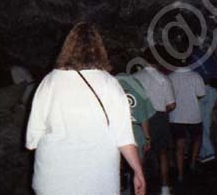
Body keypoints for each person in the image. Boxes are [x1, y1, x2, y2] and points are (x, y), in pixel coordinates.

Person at [25, 22, 145, 195]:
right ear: (99, 49)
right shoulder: (110, 83)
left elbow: (32, 139)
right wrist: (138, 171)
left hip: (52, 180)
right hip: (97, 181)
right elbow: (124, 136)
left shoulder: (49, 82)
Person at [133, 45, 176, 195]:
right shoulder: (164, 79)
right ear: (159, 61)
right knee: (163, 153)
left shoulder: (135, 78)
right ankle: (164, 189)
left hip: (139, 118)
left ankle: (139, 186)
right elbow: (171, 104)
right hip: (159, 117)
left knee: (140, 154)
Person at [168, 51, 206, 182]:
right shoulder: (196, 76)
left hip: (176, 116)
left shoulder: (170, 77)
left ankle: (179, 173)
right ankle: (192, 164)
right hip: (193, 115)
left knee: (179, 144)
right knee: (197, 138)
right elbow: (201, 94)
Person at [116, 73, 156, 195]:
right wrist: (147, 137)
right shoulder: (137, 85)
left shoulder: (109, 84)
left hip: (116, 133)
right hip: (136, 132)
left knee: (117, 169)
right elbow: (144, 116)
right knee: (137, 169)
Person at [191, 46, 217, 163]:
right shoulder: (206, 55)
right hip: (212, 89)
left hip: (200, 91)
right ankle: (202, 154)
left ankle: (209, 153)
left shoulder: (189, 58)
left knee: (200, 124)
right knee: (206, 123)